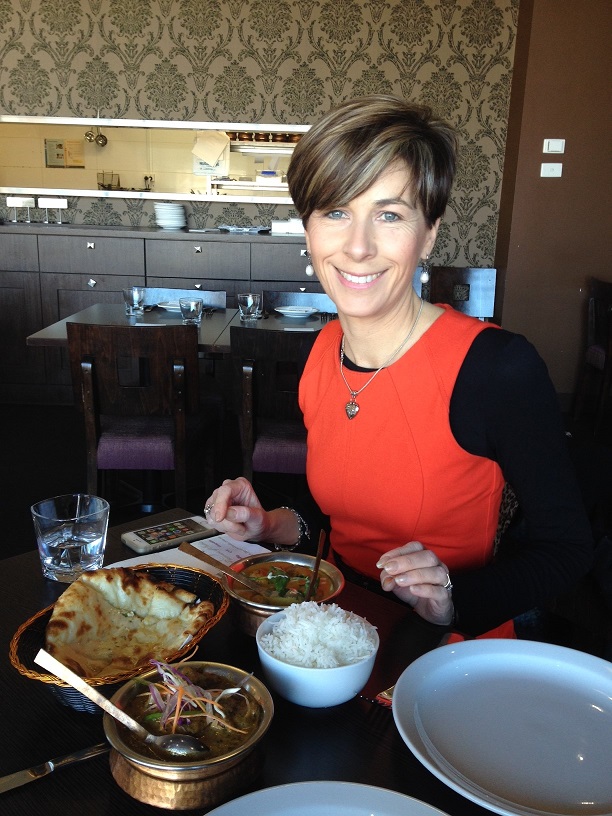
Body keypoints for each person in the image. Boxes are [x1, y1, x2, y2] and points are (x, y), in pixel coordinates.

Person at [203, 95, 593, 639]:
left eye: (389, 214)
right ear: (308, 229)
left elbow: (568, 547)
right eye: (335, 211)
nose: (358, 246)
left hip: (444, 649)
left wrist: (452, 600)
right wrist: (268, 523)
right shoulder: (323, 351)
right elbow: (332, 516)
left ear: (428, 233)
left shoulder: (496, 367)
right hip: (328, 627)